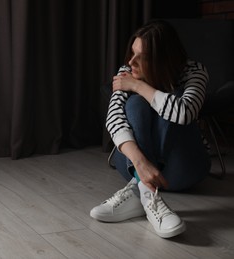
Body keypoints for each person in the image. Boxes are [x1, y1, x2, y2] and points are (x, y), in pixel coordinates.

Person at [90, 20, 211, 238]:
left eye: (142, 57)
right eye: (132, 53)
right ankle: (149, 197)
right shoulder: (127, 69)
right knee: (135, 105)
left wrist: (137, 86)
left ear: (164, 60)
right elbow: (113, 118)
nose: (131, 61)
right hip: (134, 165)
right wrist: (140, 163)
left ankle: (138, 192)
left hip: (183, 167)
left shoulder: (194, 71)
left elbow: (184, 112)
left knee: (172, 101)